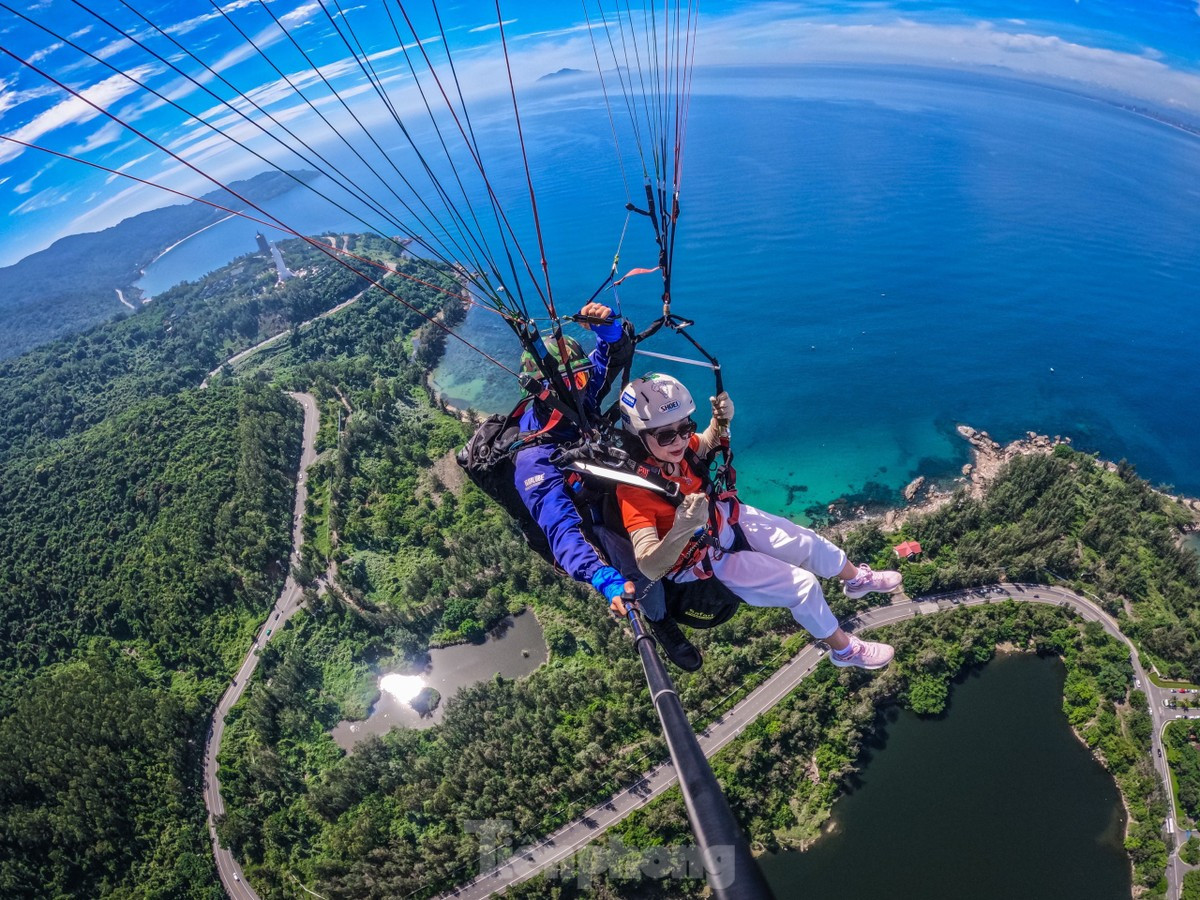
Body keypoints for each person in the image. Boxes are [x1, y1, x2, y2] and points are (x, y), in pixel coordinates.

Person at [613, 373, 902, 671]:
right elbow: (648, 565)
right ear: (639, 435)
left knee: (807, 542)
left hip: (722, 519)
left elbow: (707, 443)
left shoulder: (678, 451)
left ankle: (856, 580)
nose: (681, 440)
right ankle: (844, 651)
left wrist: (721, 421)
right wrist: (683, 527)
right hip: (701, 562)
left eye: (686, 427)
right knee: (803, 587)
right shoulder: (635, 489)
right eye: (666, 435)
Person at [512, 302, 664, 619]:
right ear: (538, 393)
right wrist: (604, 578)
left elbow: (609, 357)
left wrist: (606, 327)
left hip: (614, 491)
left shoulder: (582, 395)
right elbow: (561, 528)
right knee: (645, 581)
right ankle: (662, 624)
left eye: (580, 381)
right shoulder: (535, 458)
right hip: (594, 527)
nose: (577, 391)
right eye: (566, 385)